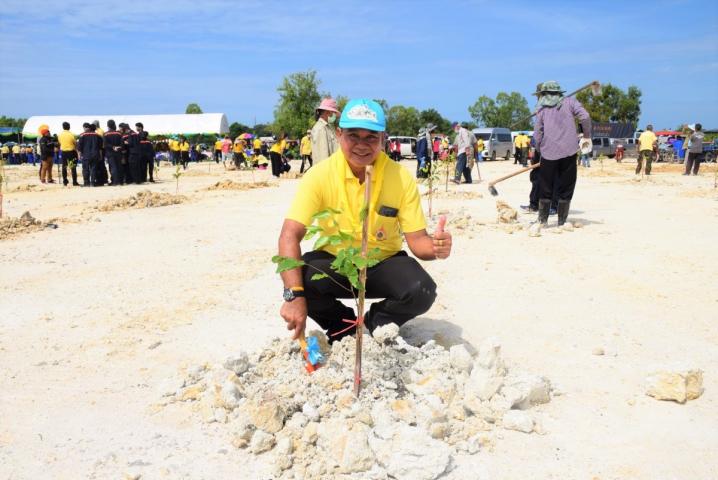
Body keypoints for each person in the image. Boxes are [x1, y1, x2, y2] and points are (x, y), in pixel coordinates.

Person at [277, 98, 452, 343]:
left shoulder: (400, 178)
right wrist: (293, 296)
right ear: (339, 135)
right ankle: (342, 326)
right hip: (337, 262)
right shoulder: (318, 176)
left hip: (383, 262)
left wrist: (435, 247)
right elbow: (289, 235)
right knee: (300, 279)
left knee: (421, 289)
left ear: (383, 138)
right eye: (353, 135)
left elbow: (417, 240)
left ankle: (377, 322)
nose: (362, 145)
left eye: (371, 137)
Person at [532, 80, 591, 226]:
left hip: (548, 153)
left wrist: (539, 148)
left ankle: (543, 220)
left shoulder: (542, 112)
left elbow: (537, 135)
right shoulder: (571, 103)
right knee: (567, 185)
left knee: (546, 185)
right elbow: (585, 117)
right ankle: (562, 221)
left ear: (543, 95)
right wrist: (587, 135)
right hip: (569, 151)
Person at [310, 97, 341, 164]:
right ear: (328, 112)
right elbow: (323, 158)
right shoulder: (321, 129)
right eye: (334, 112)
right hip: (327, 169)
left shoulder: (328, 127)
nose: (335, 116)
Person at [58, 122, 80, 186]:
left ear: (63, 127)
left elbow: (60, 143)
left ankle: (65, 181)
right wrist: (76, 150)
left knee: (64, 167)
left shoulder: (60, 135)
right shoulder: (72, 135)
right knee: (73, 167)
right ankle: (74, 181)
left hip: (64, 152)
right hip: (71, 152)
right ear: (69, 127)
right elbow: (75, 144)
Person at [104, 120, 124, 186]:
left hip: (110, 153)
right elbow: (122, 143)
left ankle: (115, 181)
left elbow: (106, 144)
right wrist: (118, 147)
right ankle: (120, 181)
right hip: (118, 152)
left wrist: (112, 147)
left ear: (108, 126)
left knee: (113, 167)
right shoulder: (119, 133)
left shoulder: (106, 134)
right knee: (119, 166)